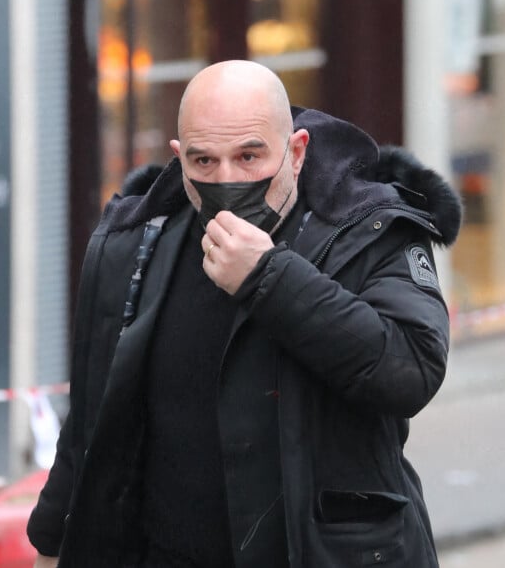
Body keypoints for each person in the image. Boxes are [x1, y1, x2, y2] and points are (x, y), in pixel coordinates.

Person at [27, 60, 462, 568]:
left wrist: (269, 277)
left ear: (296, 152)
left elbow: (409, 369)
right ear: (178, 157)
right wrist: (52, 541)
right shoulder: (136, 241)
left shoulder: (367, 232)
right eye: (204, 162)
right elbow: (94, 416)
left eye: (250, 156)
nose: (227, 180)